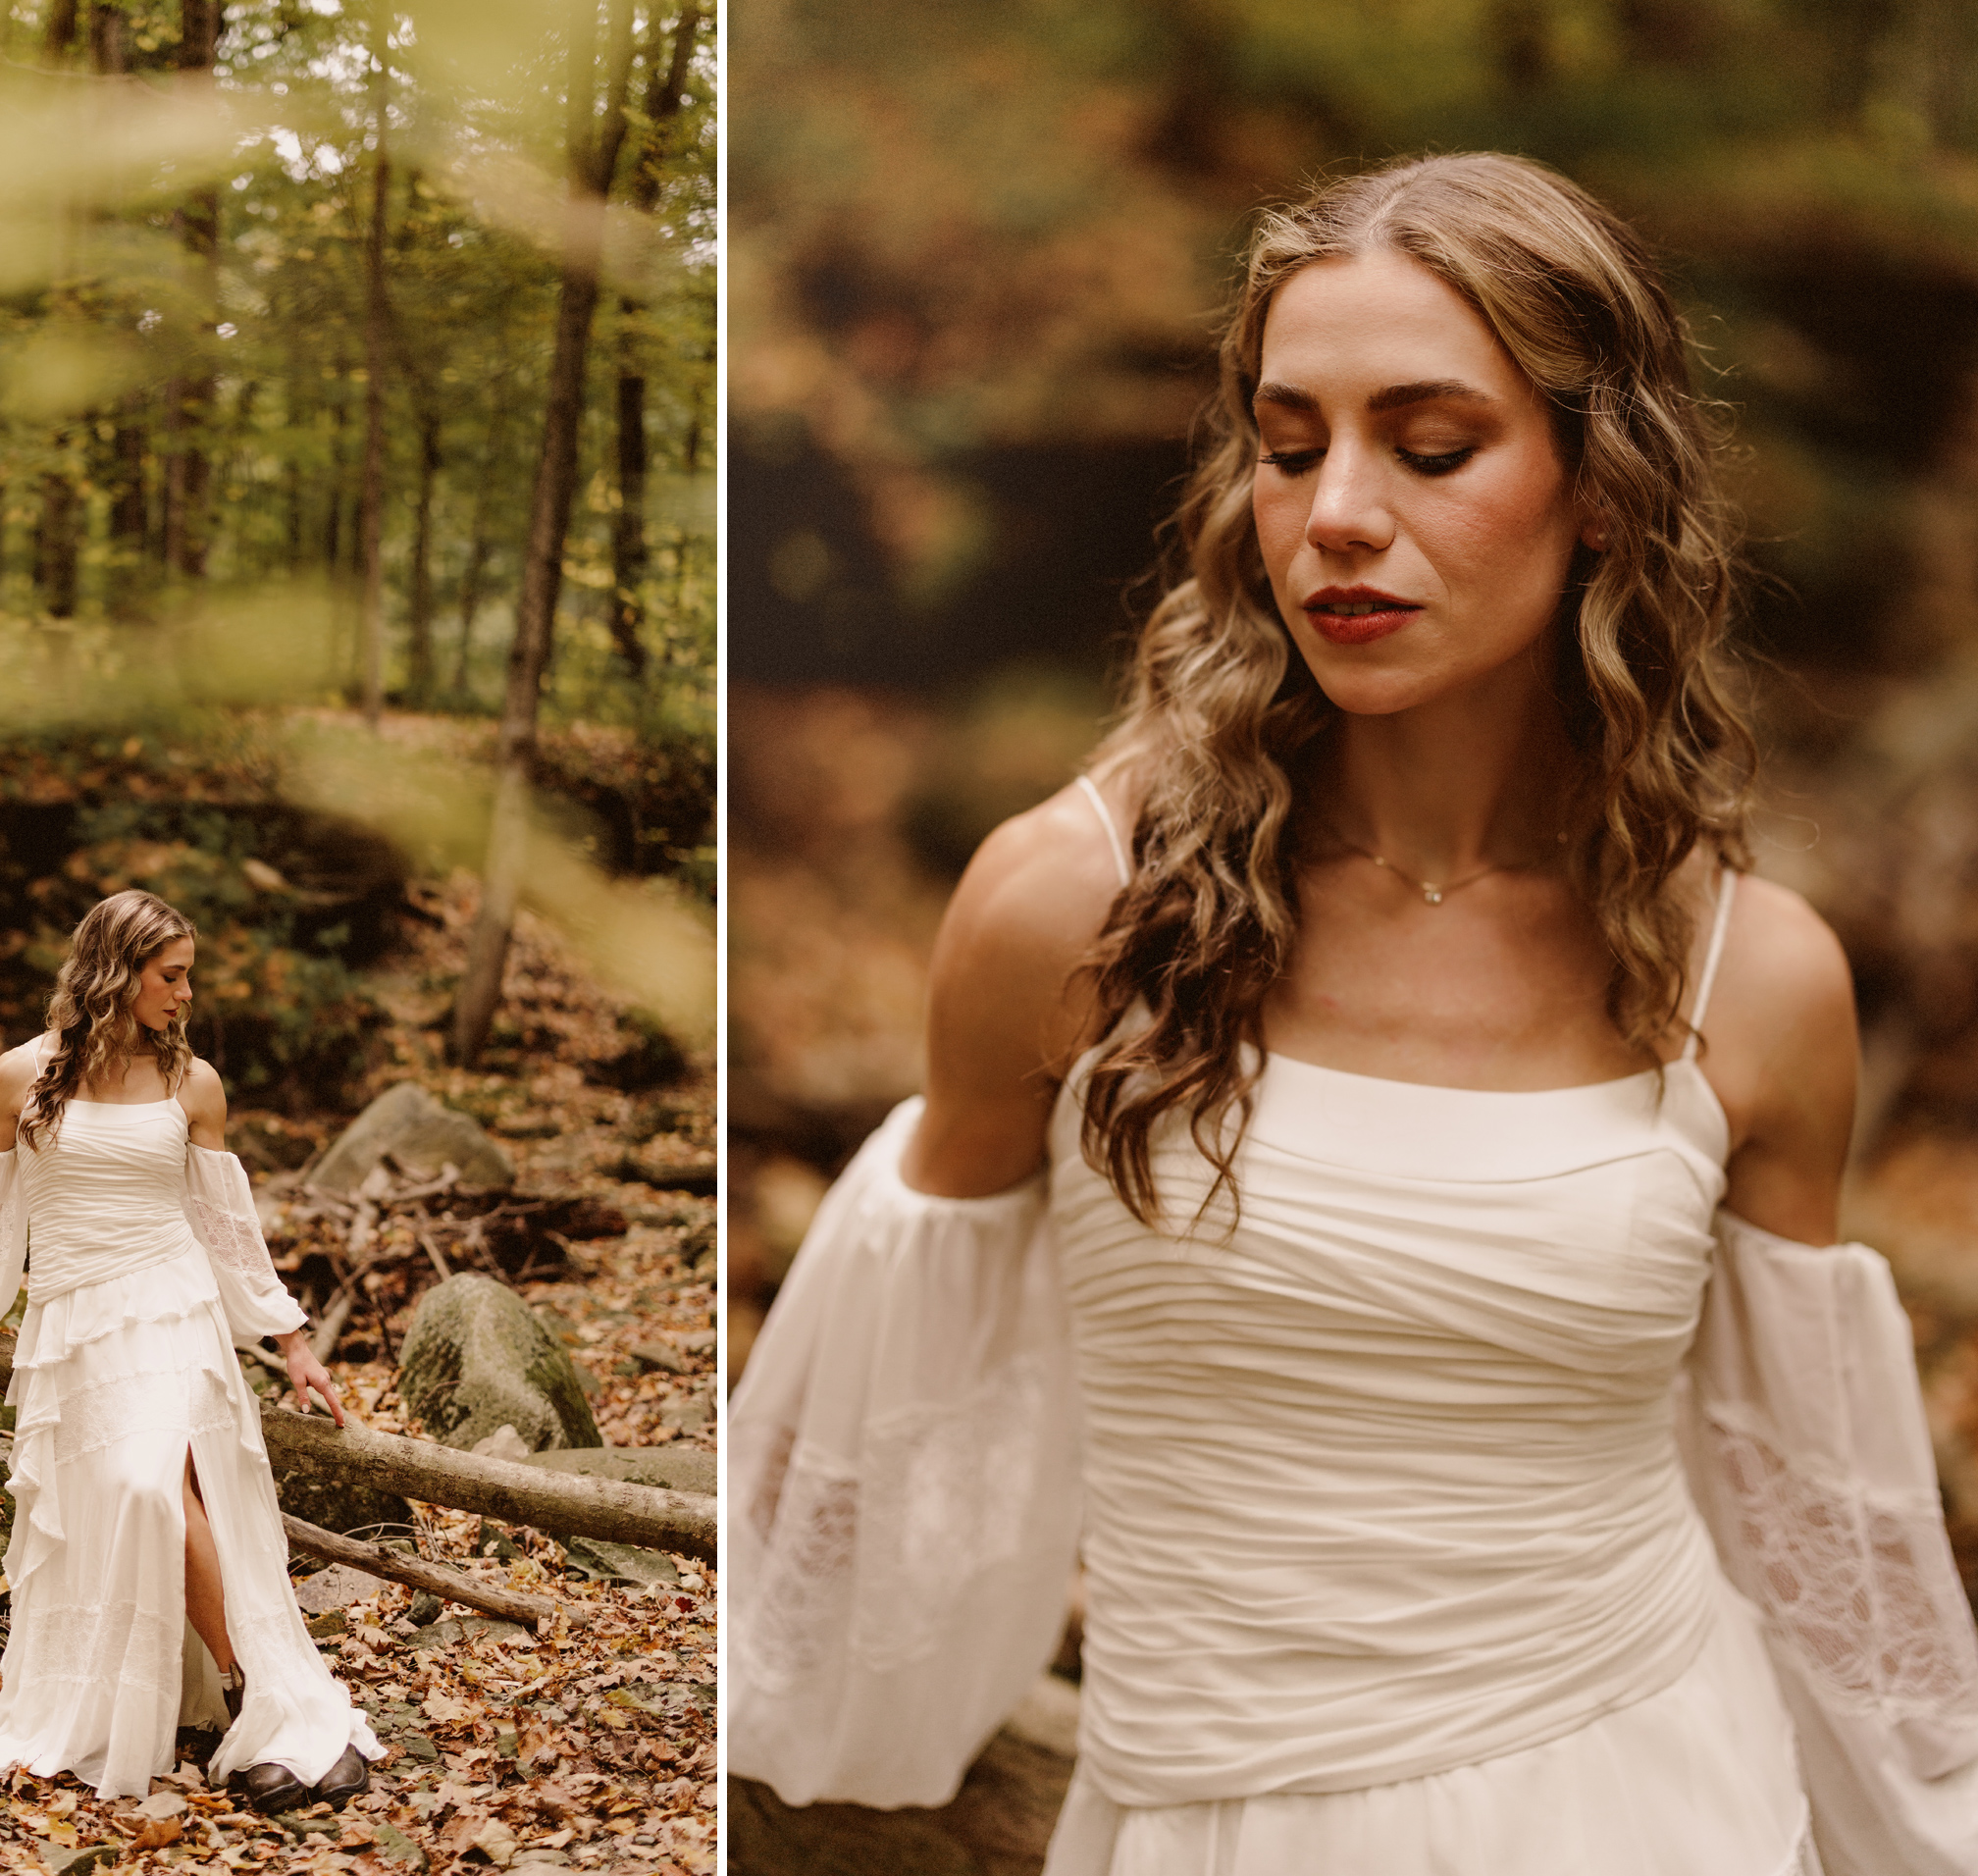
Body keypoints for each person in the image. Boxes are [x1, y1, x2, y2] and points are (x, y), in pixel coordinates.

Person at [728, 153, 1978, 1875]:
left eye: (1432, 444)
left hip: (1649, 1799)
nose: (1337, 516)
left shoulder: (1752, 981)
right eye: (1291, 443)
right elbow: (873, 1443)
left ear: (1597, 483)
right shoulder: (1065, 909)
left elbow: (1817, 1537)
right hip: (1204, 1818)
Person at [0, 888, 382, 1811]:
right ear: (117, 975)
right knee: (142, 1493)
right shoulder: (20, 1075)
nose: (186, 993)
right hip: (75, 1321)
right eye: (171, 976)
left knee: (158, 1482)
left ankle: (258, 1691)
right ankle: (228, 1691)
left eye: (189, 975)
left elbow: (226, 1227)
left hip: (175, 1309)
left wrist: (291, 1339)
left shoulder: (193, 1084)